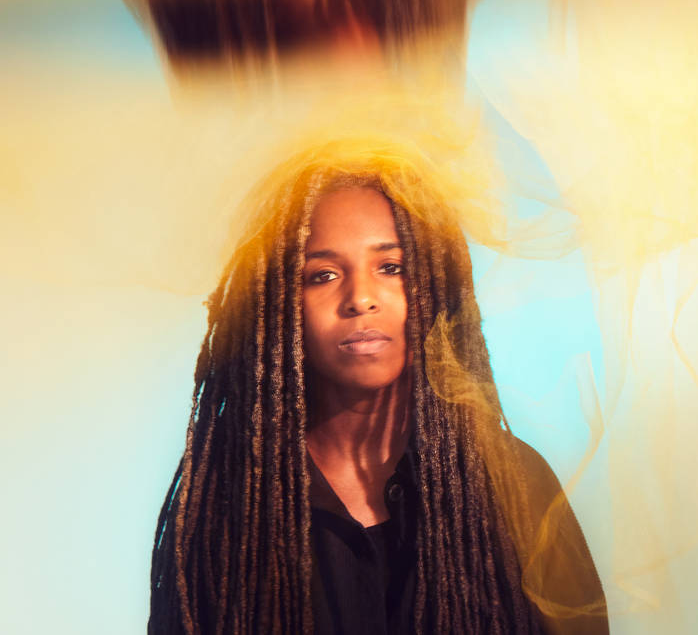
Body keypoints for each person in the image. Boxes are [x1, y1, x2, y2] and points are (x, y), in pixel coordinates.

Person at [149, 139, 608, 634]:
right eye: (322, 275)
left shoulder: (515, 483)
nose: (361, 298)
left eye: (392, 267)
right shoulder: (224, 506)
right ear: (278, 304)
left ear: (434, 286)